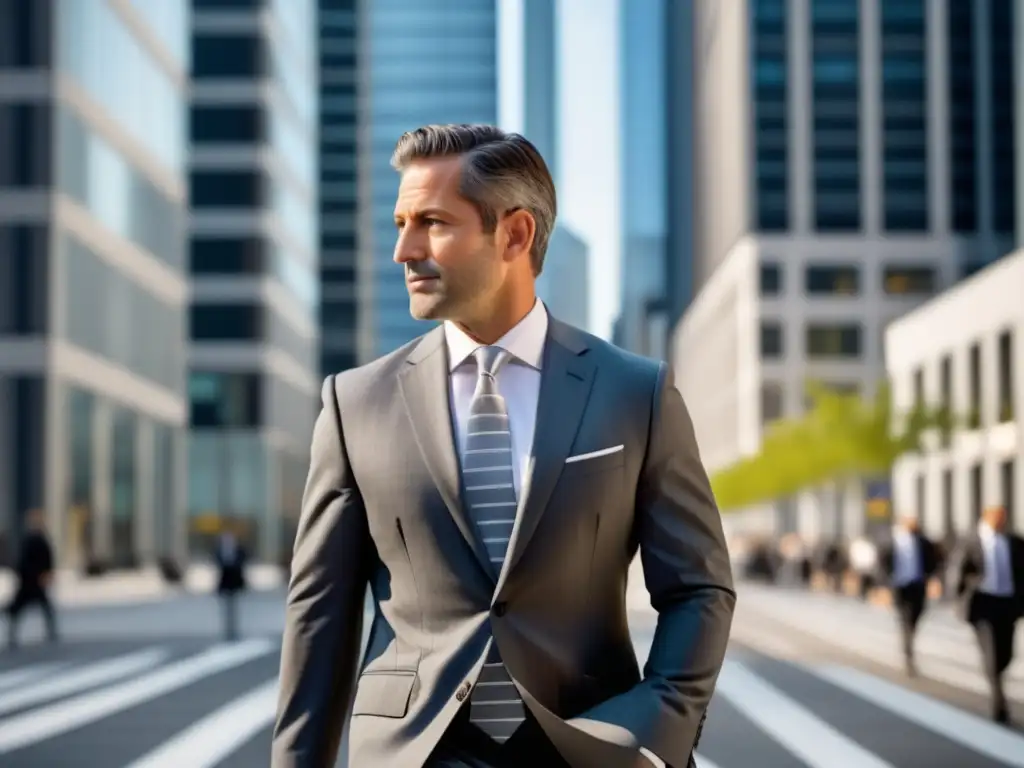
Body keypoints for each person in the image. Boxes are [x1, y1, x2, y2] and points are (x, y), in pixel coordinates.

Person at [271, 124, 735, 768]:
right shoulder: (355, 403)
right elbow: (319, 617)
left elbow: (699, 588)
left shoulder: (635, 391)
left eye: (432, 222)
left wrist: (652, 734)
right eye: (401, 223)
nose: (403, 250)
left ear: (514, 234)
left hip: (585, 747)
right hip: (411, 753)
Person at [953, 505, 1024, 724]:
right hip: (983, 603)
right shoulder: (972, 541)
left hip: (1008, 603)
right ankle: (998, 701)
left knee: (1007, 653)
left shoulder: (1014, 542)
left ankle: (997, 678)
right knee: (992, 653)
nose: (1000, 521)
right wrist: (957, 596)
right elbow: (958, 570)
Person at [878, 516, 938, 676]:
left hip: (918, 585)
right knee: (904, 619)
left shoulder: (923, 542)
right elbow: (882, 564)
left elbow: (934, 561)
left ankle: (909, 639)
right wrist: (884, 586)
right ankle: (908, 652)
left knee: (916, 616)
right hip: (899, 587)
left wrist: (932, 579)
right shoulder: (892, 543)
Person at [5, 509, 58, 648]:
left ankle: (51, 631)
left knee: (44, 607)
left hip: (34, 580)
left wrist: (47, 574)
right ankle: (12, 635)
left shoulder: (39, 540)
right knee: (19, 609)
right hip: (28, 580)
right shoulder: (30, 540)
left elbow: (47, 559)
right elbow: (23, 561)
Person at [213, 527, 248, 641]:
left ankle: (234, 631)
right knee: (227, 608)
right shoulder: (220, 551)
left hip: (235, 582)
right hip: (225, 583)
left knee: (233, 608)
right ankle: (228, 631)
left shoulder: (238, 550)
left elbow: (243, 561)